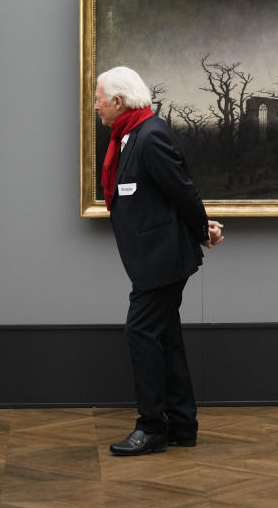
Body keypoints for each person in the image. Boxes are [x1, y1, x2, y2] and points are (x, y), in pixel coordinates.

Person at [95, 66, 225, 456]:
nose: (96, 106)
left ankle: (152, 427)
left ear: (117, 101)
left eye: (99, 98)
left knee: (141, 333)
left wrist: (203, 231)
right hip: (152, 259)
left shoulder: (149, 136)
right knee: (165, 337)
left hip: (162, 260)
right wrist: (202, 229)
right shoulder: (131, 135)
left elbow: (182, 191)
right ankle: (181, 424)